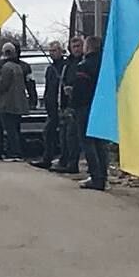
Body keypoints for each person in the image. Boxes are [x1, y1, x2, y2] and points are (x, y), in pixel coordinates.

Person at [73, 36, 108, 190]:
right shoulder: (105, 65)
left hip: (85, 107)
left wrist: (73, 101)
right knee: (101, 143)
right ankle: (103, 176)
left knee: (88, 142)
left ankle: (95, 177)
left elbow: (80, 90)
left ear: (89, 47)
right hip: (102, 107)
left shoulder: (84, 66)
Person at [50, 36, 84, 175]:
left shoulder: (84, 63)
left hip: (78, 104)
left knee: (72, 136)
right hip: (65, 104)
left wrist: (73, 90)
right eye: (73, 46)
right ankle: (64, 160)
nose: (76, 49)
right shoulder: (67, 64)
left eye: (78, 46)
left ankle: (72, 163)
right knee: (63, 135)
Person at [30, 41, 67, 169]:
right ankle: (47, 158)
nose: (52, 53)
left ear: (61, 51)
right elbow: (48, 88)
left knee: (62, 135)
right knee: (48, 133)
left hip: (61, 105)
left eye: (55, 50)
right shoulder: (50, 68)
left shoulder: (64, 66)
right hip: (50, 106)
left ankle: (62, 159)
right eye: (50, 51)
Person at [0, 43, 28, 161]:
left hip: (7, 104)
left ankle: (14, 153)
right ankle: (16, 152)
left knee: (10, 130)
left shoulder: (6, 67)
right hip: (17, 104)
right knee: (15, 129)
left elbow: (2, 86)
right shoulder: (18, 67)